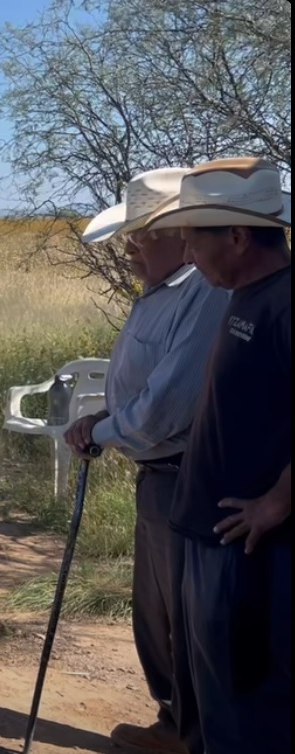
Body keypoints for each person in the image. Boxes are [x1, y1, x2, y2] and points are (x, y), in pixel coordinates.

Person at [64, 167, 228, 754]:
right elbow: (141, 388)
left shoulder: (205, 292)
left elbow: (165, 405)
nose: (129, 248)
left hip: (187, 473)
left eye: (141, 236)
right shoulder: (160, 292)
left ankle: (193, 734)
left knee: (187, 618)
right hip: (157, 476)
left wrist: (104, 429)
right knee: (156, 611)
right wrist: (102, 418)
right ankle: (174, 722)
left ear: (180, 236)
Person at [140, 156, 290, 754]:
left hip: (251, 553)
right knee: (212, 699)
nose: (188, 254)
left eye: (193, 239)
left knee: (248, 707)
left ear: (237, 236)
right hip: (208, 536)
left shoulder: (285, 301)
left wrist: (276, 503)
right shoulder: (242, 293)